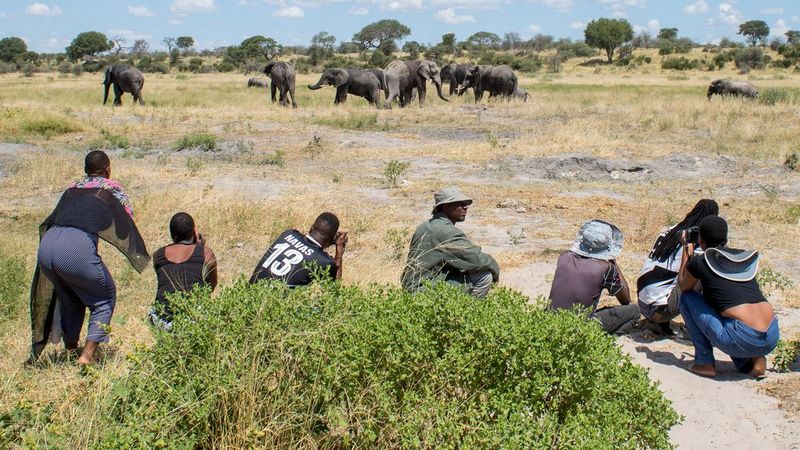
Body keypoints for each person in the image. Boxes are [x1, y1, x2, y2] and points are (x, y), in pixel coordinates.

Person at [31, 150, 149, 365]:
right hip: (75, 248)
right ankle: (86, 357)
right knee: (105, 297)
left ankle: (70, 349)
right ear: (108, 169)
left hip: (47, 247)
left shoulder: (72, 187)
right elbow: (124, 224)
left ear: (85, 170)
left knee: (71, 297)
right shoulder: (112, 189)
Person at [678, 216, 779, 379]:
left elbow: (684, 285)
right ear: (725, 238)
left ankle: (704, 363)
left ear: (700, 240)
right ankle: (753, 362)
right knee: (728, 312)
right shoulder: (741, 258)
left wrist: (686, 254)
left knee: (687, 298)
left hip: (741, 336)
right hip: (772, 334)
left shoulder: (700, 262)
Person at [637, 199, 719, 336]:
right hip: (658, 309)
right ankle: (697, 328)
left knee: (671, 278)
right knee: (705, 275)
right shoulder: (697, 242)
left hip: (643, 303)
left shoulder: (670, 231)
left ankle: (658, 324)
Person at [401, 187, 499, 298]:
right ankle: (469, 311)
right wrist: (495, 273)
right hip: (423, 290)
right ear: (446, 206)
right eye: (460, 204)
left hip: (412, 286)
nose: (465, 207)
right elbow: (476, 259)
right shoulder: (446, 231)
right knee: (484, 276)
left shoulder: (426, 225)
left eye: (465, 204)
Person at [549, 219, 639, 335]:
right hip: (580, 327)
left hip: (551, 322)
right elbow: (625, 299)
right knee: (634, 311)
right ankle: (603, 340)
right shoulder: (606, 268)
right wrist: (613, 261)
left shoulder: (564, 257)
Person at [149, 212, 218, 331]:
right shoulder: (206, 253)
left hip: (162, 318)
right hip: (193, 318)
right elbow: (210, 287)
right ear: (194, 232)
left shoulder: (158, 255)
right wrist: (200, 247)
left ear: (171, 234)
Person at [250, 212, 347, 286]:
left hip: (249, 294)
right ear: (332, 238)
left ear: (312, 227)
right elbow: (334, 289)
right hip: (275, 308)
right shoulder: (324, 261)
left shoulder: (289, 233)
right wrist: (339, 252)